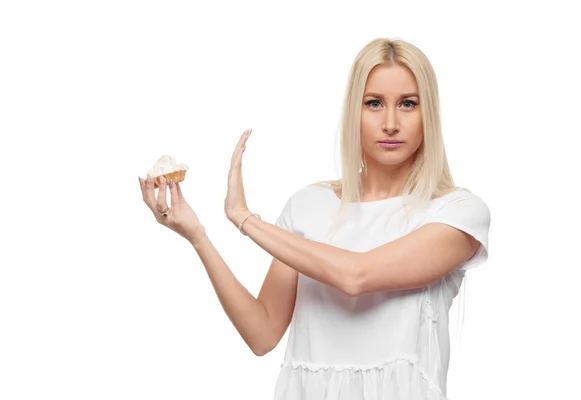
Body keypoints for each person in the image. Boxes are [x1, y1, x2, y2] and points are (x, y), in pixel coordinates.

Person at [138, 37, 491, 400]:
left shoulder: (457, 213)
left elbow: (356, 276)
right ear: (353, 111)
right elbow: (262, 334)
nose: (390, 122)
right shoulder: (308, 206)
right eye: (373, 103)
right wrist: (198, 237)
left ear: (428, 113)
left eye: (407, 104)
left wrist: (245, 219)